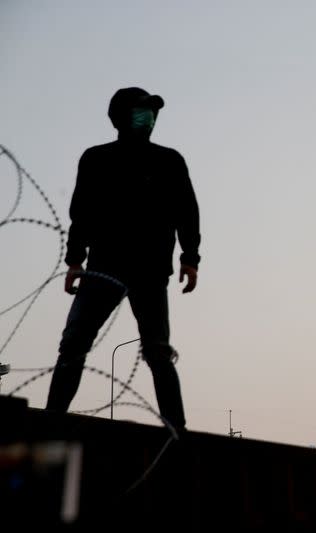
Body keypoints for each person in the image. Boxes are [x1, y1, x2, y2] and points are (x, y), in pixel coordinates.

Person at [45, 87, 201, 430]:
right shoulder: (97, 159)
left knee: (158, 351)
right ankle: (52, 420)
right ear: (120, 117)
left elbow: (186, 211)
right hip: (104, 267)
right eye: (140, 111)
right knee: (74, 343)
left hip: (150, 271)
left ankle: (176, 429)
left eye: (150, 112)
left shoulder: (168, 160)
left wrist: (191, 257)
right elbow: (81, 214)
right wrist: (75, 261)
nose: (148, 118)